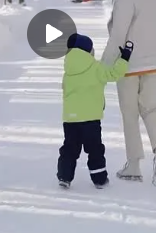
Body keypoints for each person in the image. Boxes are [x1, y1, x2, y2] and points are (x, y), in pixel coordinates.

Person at [100, 0, 156, 185]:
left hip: (129, 64)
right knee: (151, 108)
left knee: (129, 113)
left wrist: (103, 66)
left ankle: (133, 165)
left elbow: (119, 34)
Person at [57, 33, 134, 189]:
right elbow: (113, 74)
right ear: (88, 52)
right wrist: (124, 58)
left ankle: (64, 177)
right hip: (91, 119)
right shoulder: (96, 68)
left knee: (70, 149)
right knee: (95, 149)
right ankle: (99, 179)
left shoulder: (68, 72)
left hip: (70, 120)